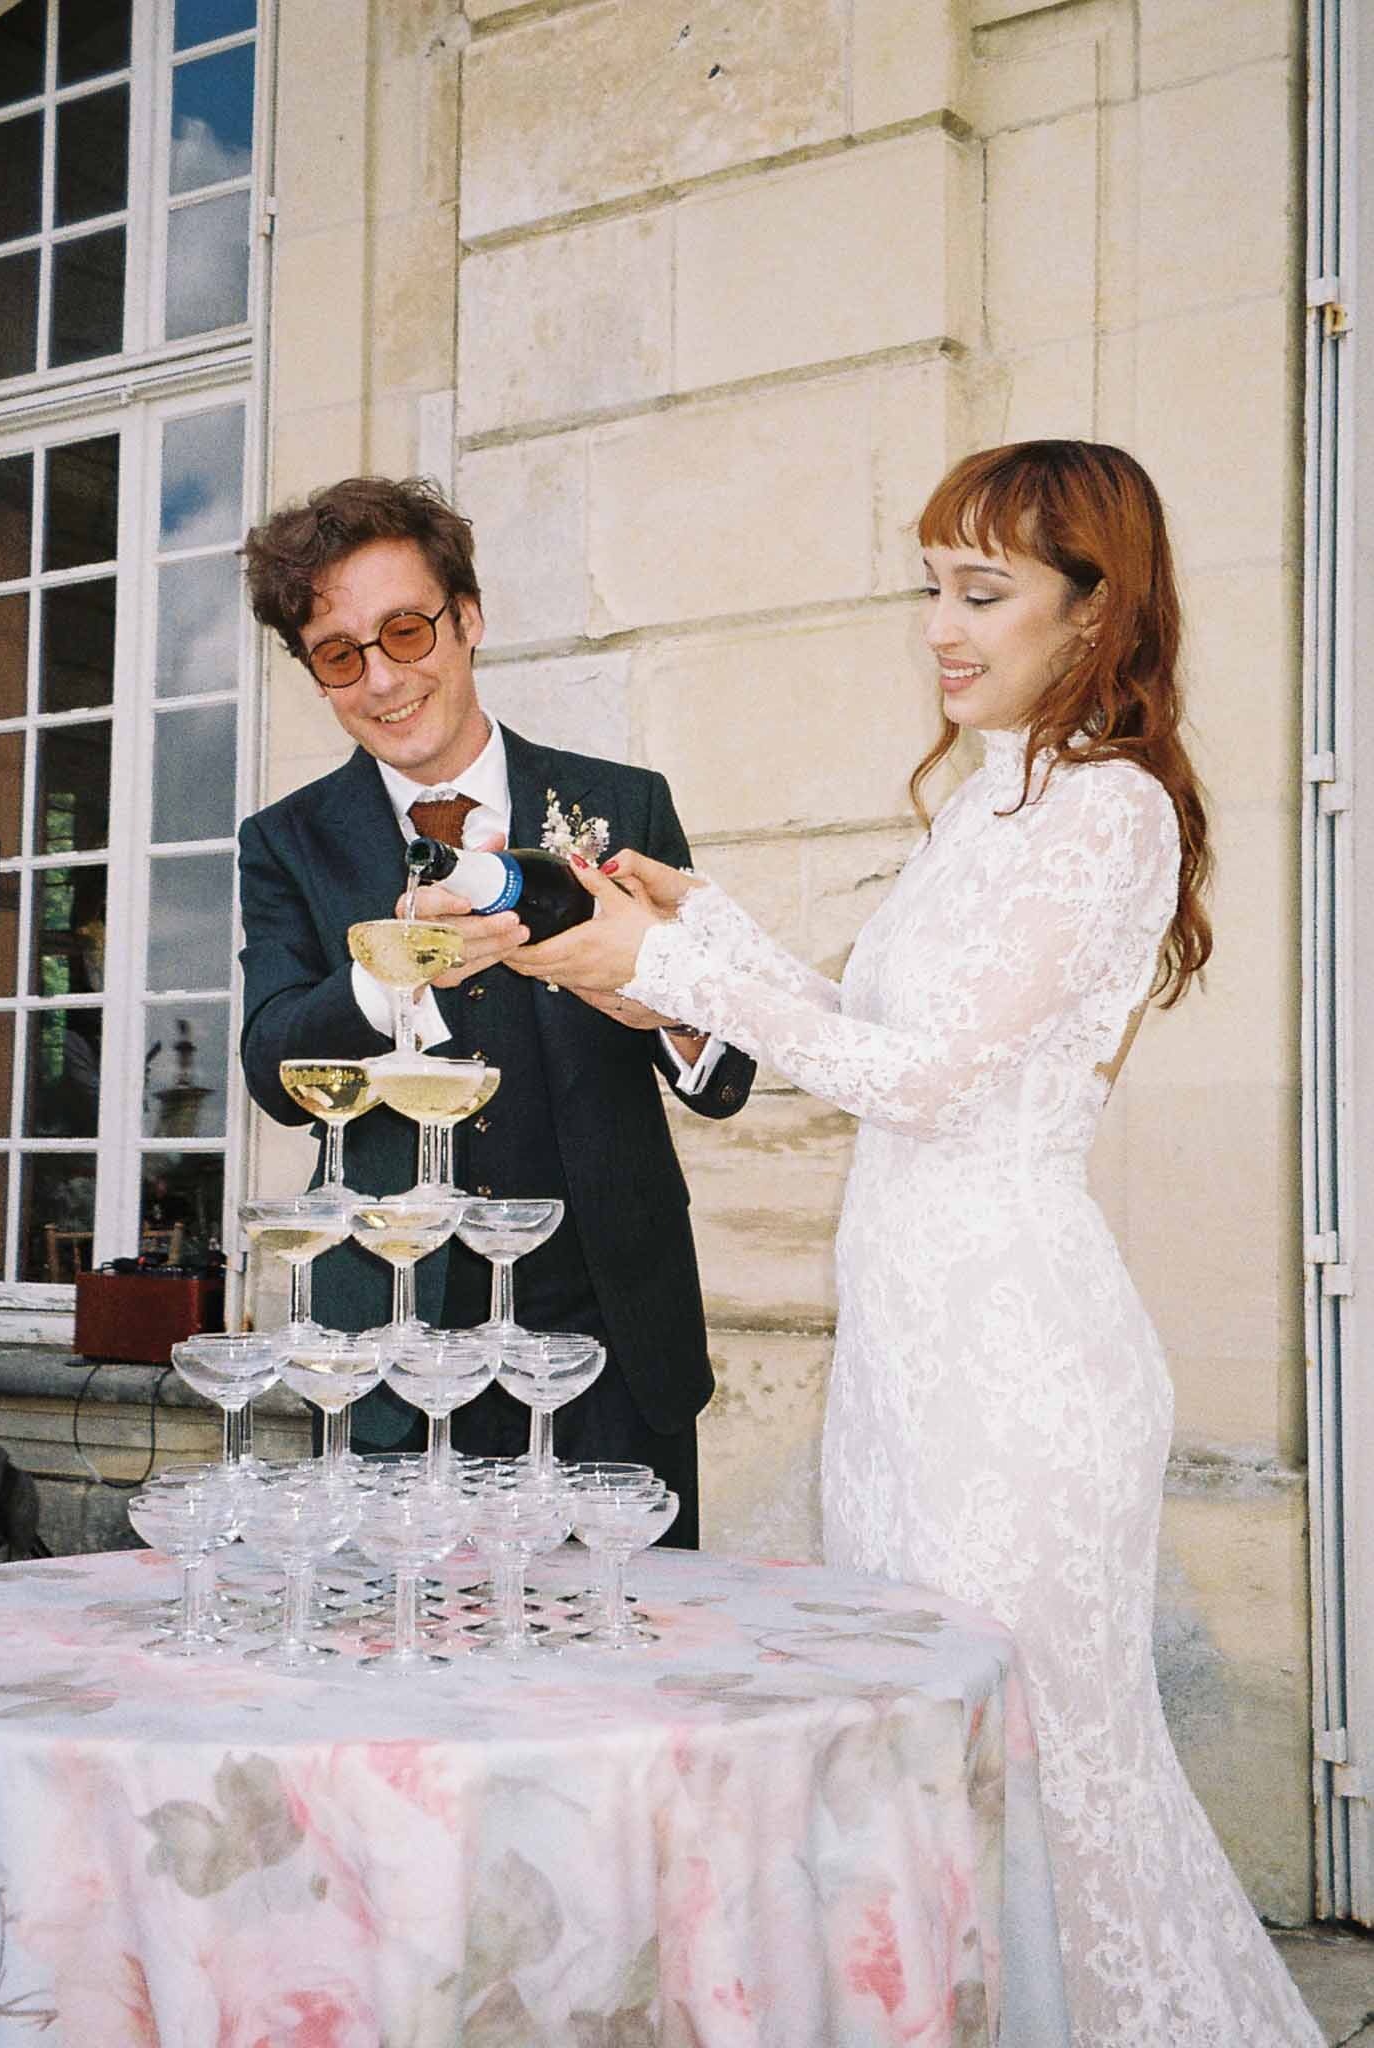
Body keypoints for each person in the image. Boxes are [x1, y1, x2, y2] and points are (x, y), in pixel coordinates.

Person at [506, 441, 1322, 2044]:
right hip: (906, 1358)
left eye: (979, 591)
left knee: (1037, 1764)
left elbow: (930, 1083)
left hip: (1015, 1365)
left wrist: (676, 963)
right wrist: (688, 931)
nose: (939, 629)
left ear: (1095, 613)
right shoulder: (982, 804)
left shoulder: (1104, 814)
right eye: (927, 591)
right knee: (929, 1761)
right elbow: (852, 1028)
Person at [236, 476, 755, 1546]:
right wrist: (390, 979)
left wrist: (656, 999)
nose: (381, 677)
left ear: (467, 619)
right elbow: (270, 1069)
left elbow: (724, 1073)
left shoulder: (621, 802)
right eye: (340, 653)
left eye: (406, 629)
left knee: (628, 1681)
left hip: (607, 1348)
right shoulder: (285, 840)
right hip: (392, 1353)